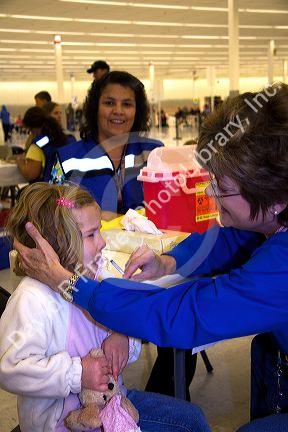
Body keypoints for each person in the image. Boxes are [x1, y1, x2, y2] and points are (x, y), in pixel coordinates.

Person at [15, 82, 288, 430]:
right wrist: (171, 261)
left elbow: (188, 313)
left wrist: (74, 287)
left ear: (274, 198)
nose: (209, 192)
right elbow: (235, 239)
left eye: (222, 186)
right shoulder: (274, 215)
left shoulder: (281, 269)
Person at [0, 182, 211, 432]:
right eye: (91, 235)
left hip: (113, 403)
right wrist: (76, 374)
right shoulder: (32, 299)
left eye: (99, 231)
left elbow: (131, 340)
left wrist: (121, 334)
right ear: (57, 243)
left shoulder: (101, 275)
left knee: (191, 419)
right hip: (60, 424)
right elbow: (10, 368)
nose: (102, 243)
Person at [56, 71, 164, 218]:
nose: (118, 111)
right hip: (89, 240)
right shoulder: (68, 158)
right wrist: (85, 211)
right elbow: (55, 203)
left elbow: (170, 205)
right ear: (95, 107)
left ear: (137, 110)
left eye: (127, 104)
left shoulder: (154, 154)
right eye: (109, 103)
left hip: (147, 241)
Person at [17, 107, 76, 183]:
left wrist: (19, 162)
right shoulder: (69, 138)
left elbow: (30, 175)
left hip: (49, 191)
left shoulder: (38, 145)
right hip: (72, 188)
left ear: (32, 128)